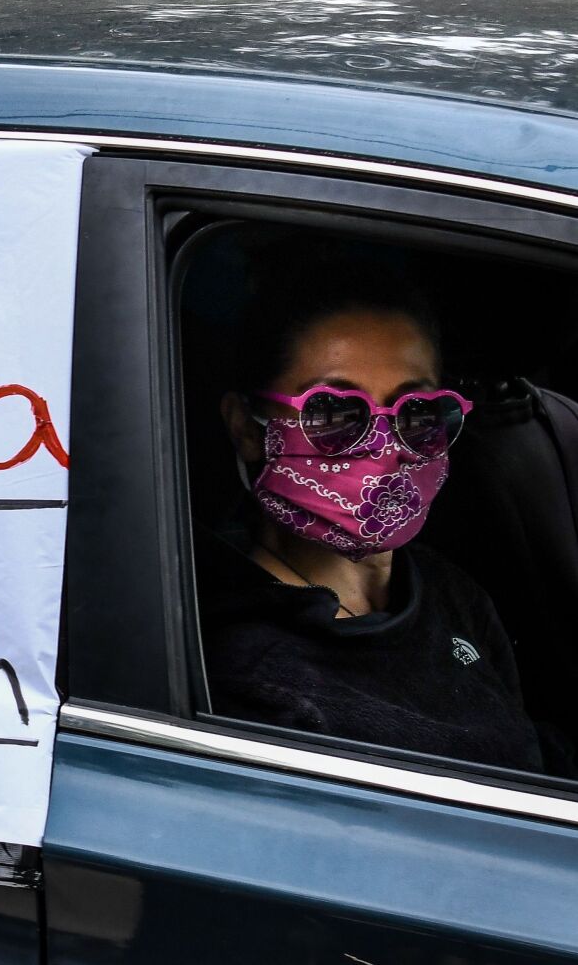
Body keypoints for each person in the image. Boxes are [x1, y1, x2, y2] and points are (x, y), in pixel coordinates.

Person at [199, 258, 552, 774]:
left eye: (417, 412)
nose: (385, 447)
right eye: (334, 413)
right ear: (247, 427)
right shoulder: (250, 674)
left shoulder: (451, 592)